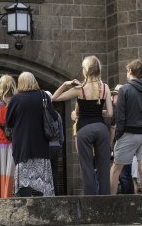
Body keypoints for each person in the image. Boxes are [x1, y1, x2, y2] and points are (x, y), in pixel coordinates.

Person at [52, 56, 113, 195]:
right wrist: (97, 111)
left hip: (84, 129)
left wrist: (66, 84)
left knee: (87, 168)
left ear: (85, 71)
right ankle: (106, 202)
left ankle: (90, 202)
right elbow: (110, 113)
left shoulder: (81, 88)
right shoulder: (105, 87)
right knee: (104, 168)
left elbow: (54, 98)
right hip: (101, 128)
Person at [110, 59, 142, 195]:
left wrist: (119, 135)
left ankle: (110, 201)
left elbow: (120, 116)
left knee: (115, 169)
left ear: (130, 71)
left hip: (128, 133)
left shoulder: (124, 89)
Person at [6, 72, 57, 197]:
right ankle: (42, 205)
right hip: (41, 144)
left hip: (23, 145)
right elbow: (54, 116)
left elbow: (8, 121)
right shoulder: (43, 96)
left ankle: (26, 205)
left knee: (24, 180)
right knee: (42, 179)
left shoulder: (16, 99)